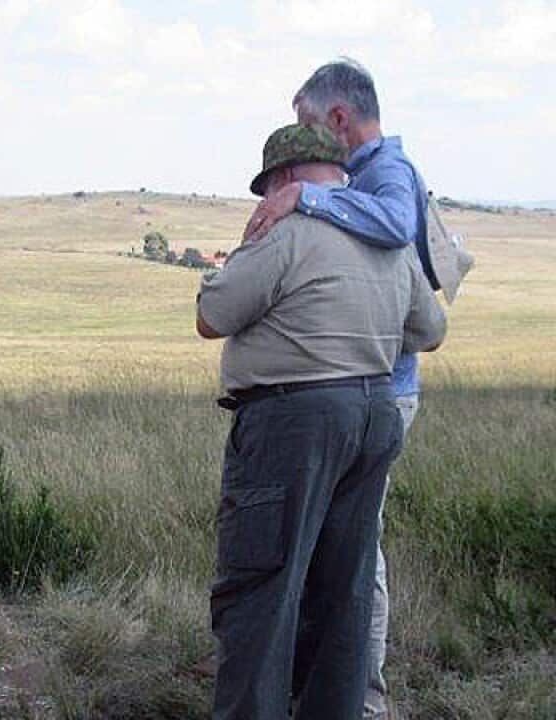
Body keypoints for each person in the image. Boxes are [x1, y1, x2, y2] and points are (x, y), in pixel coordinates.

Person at [197, 123, 446, 720]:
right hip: (374, 415)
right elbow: (430, 332)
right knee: (345, 592)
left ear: (283, 178)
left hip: (293, 423)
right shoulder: (386, 239)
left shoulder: (288, 231)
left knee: (263, 588)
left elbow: (213, 314)